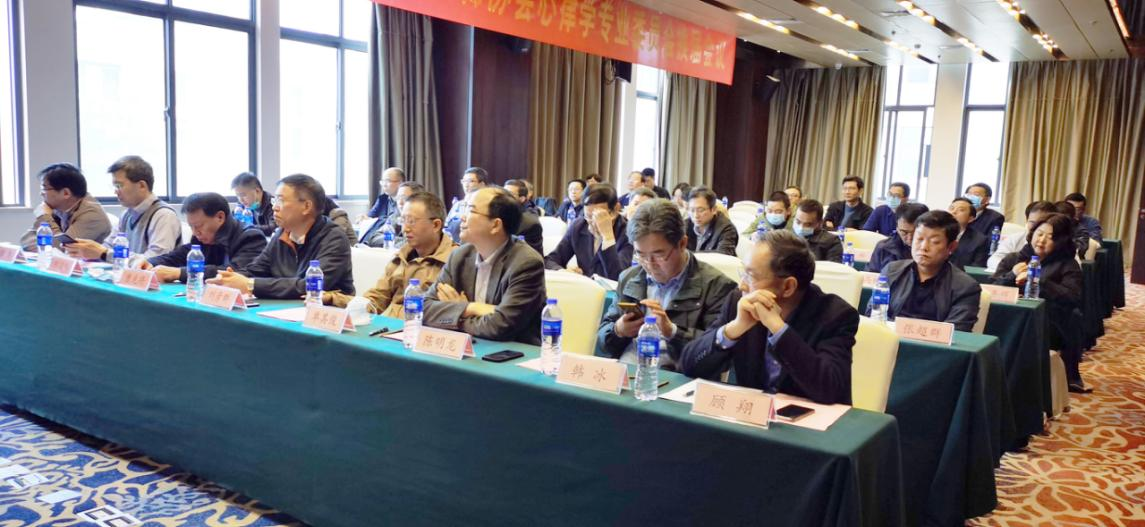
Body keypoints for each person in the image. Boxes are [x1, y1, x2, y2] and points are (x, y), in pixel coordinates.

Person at [679, 230, 855, 404]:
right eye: (743, 273)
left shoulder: (835, 315)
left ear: (788, 287)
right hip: (749, 414)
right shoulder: (738, 301)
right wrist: (733, 329)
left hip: (810, 419)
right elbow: (689, 365)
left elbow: (830, 390)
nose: (742, 285)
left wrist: (779, 330)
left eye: (751, 276)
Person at [596, 199, 737, 370]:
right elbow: (602, 341)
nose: (650, 264)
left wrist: (673, 332)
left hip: (680, 376)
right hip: (630, 371)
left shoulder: (717, 286)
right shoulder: (630, 278)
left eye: (659, 255)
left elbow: (717, 357)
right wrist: (618, 330)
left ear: (682, 244)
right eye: (641, 255)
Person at [422, 187, 547, 344]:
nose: (462, 217)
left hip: (512, 352)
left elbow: (500, 326)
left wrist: (456, 315)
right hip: (466, 348)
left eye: (471, 211)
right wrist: (471, 308)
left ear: (495, 225)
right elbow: (424, 309)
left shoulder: (526, 263)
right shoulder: (459, 256)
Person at [207, 174, 354, 299]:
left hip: (327, 314)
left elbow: (308, 286)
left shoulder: (334, 238)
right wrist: (229, 278)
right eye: (274, 200)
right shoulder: (282, 233)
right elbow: (257, 269)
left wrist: (250, 284)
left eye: (281, 200)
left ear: (306, 207)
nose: (274, 207)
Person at [990, 213, 1088, 392]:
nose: (1041, 240)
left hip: (1047, 325)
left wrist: (1039, 281)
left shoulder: (1067, 265)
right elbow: (991, 291)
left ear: (1061, 241)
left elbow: (1072, 297)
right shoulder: (1013, 259)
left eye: (1050, 237)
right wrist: (1012, 275)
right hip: (1007, 321)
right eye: (1039, 233)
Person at [326, 191, 456, 317]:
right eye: (403, 221)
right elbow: (374, 301)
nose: (405, 229)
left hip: (417, 328)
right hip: (389, 327)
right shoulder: (402, 257)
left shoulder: (455, 261)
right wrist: (332, 298)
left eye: (411, 221)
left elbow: (446, 314)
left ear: (436, 225)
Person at [877, 210, 982, 332]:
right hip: (890, 339)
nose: (923, 247)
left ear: (951, 247)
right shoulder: (892, 271)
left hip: (934, 343)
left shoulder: (965, 287)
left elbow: (956, 331)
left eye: (934, 242)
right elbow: (875, 314)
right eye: (919, 239)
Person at [64, 155, 181, 261]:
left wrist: (103, 253)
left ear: (141, 185)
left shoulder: (164, 215)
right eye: (114, 186)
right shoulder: (126, 215)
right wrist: (88, 251)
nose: (115, 191)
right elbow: (108, 246)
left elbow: (154, 260)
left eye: (119, 185)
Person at [143, 192, 267, 283]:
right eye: (191, 227)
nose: (195, 232)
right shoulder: (202, 237)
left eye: (198, 226)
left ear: (220, 217)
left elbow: (234, 272)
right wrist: (151, 263)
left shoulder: (251, 237)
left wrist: (180, 273)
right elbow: (178, 256)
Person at [545, 183, 633, 280]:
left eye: (598, 216)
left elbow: (619, 278)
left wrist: (607, 238)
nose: (592, 222)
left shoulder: (628, 233)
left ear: (615, 210)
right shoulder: (579, 226)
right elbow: (550, 261)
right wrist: (564, 272)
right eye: (588, 216)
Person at [19, 163, 111, 251]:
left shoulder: (92, 216)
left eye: (44, 189)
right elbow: (26, 241)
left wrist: (44, 217)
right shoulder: (60, 207)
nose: (41, 193)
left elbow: (62, 248)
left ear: (66, 193)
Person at [987, 200, 1057, 271]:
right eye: (1032, 222)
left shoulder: (1058, 242)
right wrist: (1015, 269)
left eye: (1041, 223)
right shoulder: (1015, 239)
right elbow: (993, 259)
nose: (1036, 226)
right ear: (1027, 221)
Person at [867, 202, 928, 274]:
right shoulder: (884, 247)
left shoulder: (934, 250)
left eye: (915, 233)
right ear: (897, 227)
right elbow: (871, 275)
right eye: (904, 232)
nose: (909, 238)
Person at [684, 187, 738, 256]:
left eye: (700, 210)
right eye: (692, 210)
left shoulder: (726, 228)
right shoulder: (685, 225)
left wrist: (689, 256)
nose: (696, 215)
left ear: (714, 210)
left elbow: (723, 255)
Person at [358, 167, 405, 242]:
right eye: (383, 181)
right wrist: (363, 218)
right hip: (378, 237)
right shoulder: (382, 199)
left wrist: (378, 221)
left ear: (400, 183)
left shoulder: (405, 202)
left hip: (394, 238)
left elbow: (396, 223)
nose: (384, 185)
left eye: (387, 181)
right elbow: (369, 217)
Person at [444, 167, 491, 239]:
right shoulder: (458, 205)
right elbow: (446, 227)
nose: (466, 185)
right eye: (464, 181)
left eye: (470, 181)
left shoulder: (488, 205)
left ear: (482, 184)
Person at [503, 179, 545, 257]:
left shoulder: (529, 222)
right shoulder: (499, 213)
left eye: (509, 194)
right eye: (503, 193)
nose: (503, 197)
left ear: (522, 198)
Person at [947, 197, 989, 269]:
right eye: (951, 208)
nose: (953, 212)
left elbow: (976, 268)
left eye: (961, 210)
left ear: (971, 218)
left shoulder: (979, 240)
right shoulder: (935, 233)